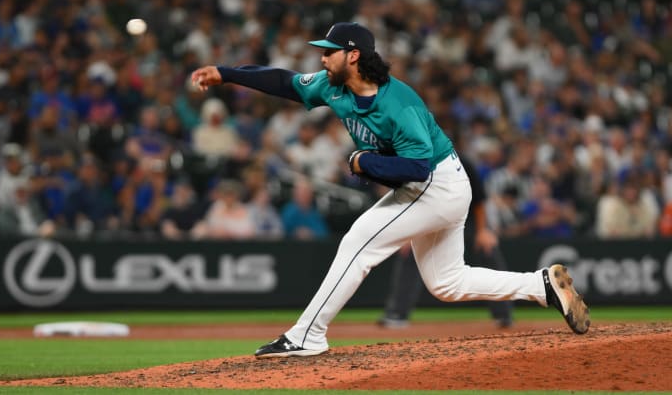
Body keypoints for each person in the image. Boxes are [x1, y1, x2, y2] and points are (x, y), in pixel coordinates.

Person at [189, 22, 590, 359]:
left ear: (353, 56)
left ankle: (306, 334)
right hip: (435, 183)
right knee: (447, 283)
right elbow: (284, 82)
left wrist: (363, 163)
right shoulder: (333, 86)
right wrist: (227, 74)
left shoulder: (399, 104)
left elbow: (415, 169)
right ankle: (539, 286)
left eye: (330, 51)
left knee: (359, 241)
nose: (322, 57)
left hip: (436, 184)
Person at [379, 153, 513, 329]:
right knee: (409, 251)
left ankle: (503, 315)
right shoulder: (417, 164)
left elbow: (479, 200)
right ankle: (397, 314)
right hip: (432, 220)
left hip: (466, 221)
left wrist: (482, 231)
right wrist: (409, 235)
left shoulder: (463, 162)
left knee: (488, 249)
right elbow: (411, 203)